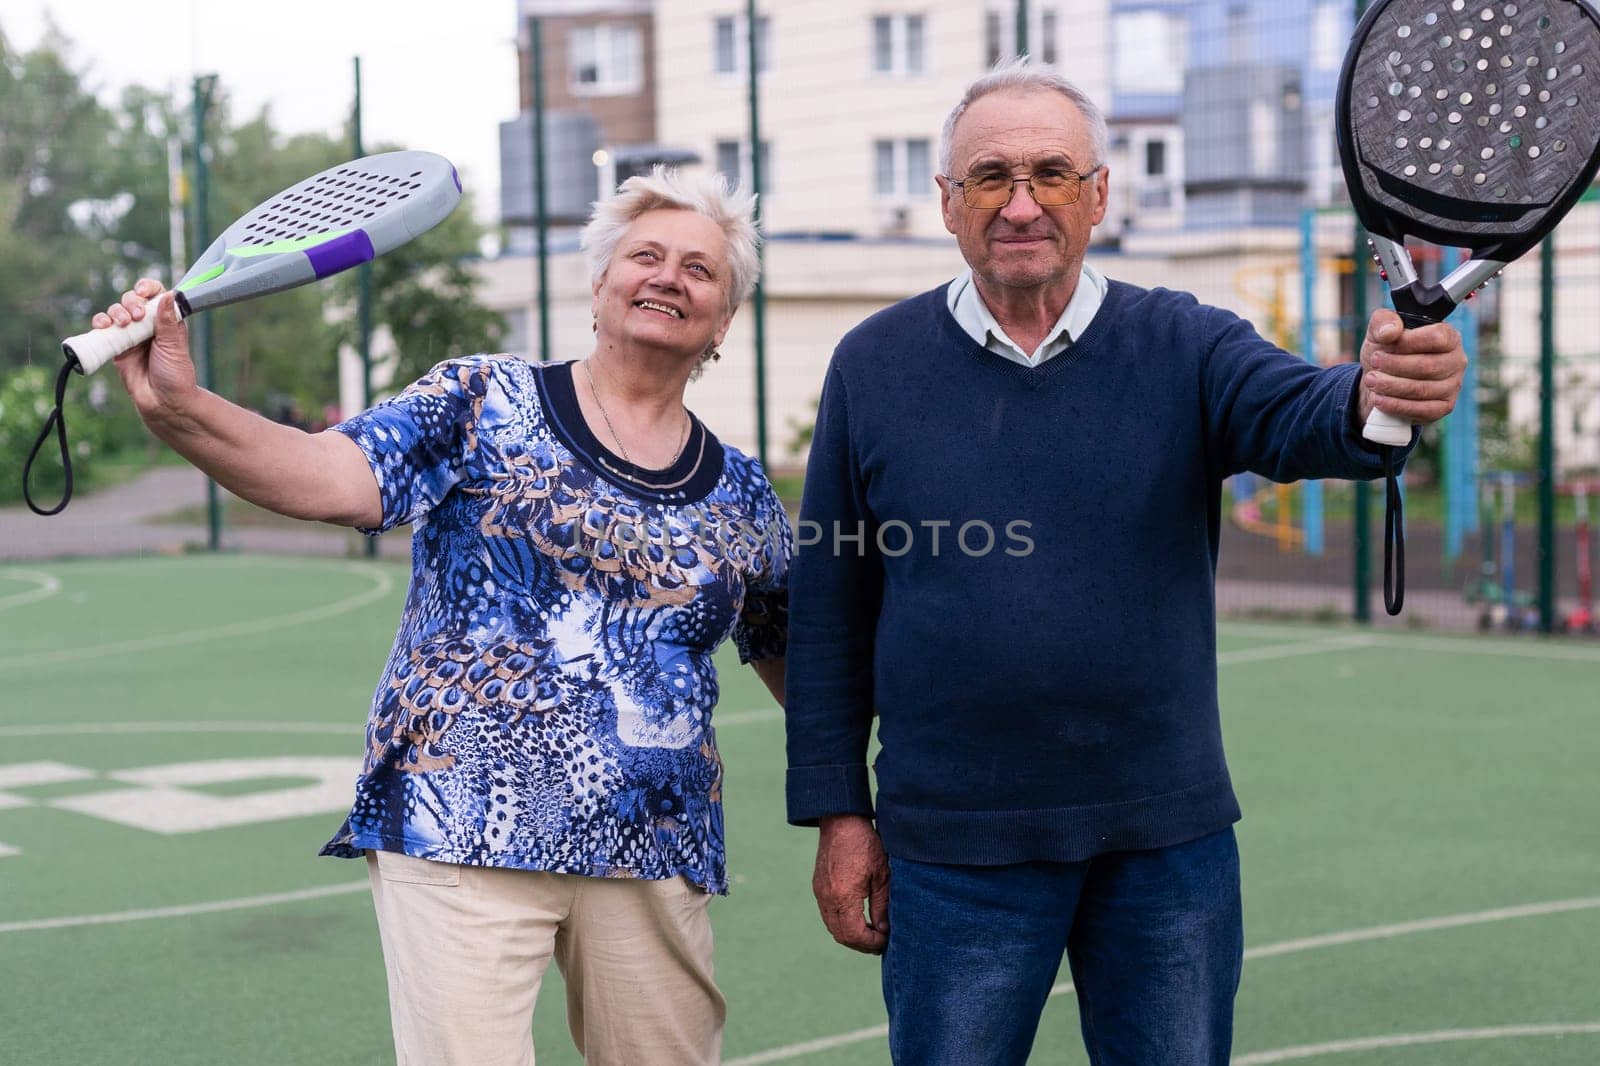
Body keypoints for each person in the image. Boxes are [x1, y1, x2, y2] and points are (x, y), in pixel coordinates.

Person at [784, 59, 1466, 1066]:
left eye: (1052, 173)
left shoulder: (1183, 342)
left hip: (1163, 840)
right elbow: (832, 606)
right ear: (946, 203)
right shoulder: (872, 364)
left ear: (1099, 194)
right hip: (954, 846)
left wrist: (1381, 390)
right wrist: (839, 813)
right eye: (990, 178)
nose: (1021, 204)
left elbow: (1305, 415)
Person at [90, 166, 791, 1066]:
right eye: (644, 255)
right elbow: (327, 475)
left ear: (725, 318)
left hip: (656, 843)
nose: (667, 277)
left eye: (699, 269)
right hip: (459, 824)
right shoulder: (481, 400)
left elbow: (793, 654)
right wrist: (182, 407)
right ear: (599, 283)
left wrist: (858, 808)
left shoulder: (739, 491)